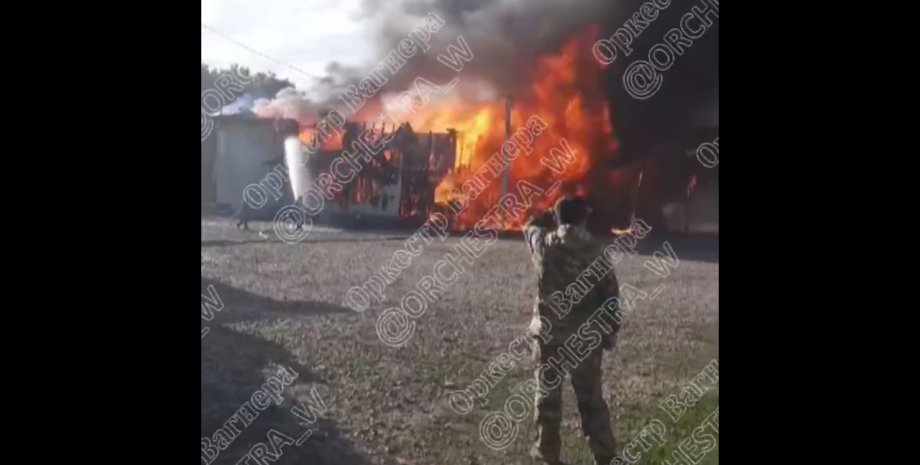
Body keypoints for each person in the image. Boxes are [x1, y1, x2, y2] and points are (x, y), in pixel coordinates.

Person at [523, 196, 620, 465]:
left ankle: (547, 453)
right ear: (583, 218)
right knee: (591, 401)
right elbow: (610, 295)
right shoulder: (596, 250)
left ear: (558, 219)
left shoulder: (544, 245)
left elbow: (528, 227)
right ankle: (605, 456)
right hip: (585, 338)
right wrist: (610, 331)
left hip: (550, 334)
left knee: (547, 397)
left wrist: (546, 216)